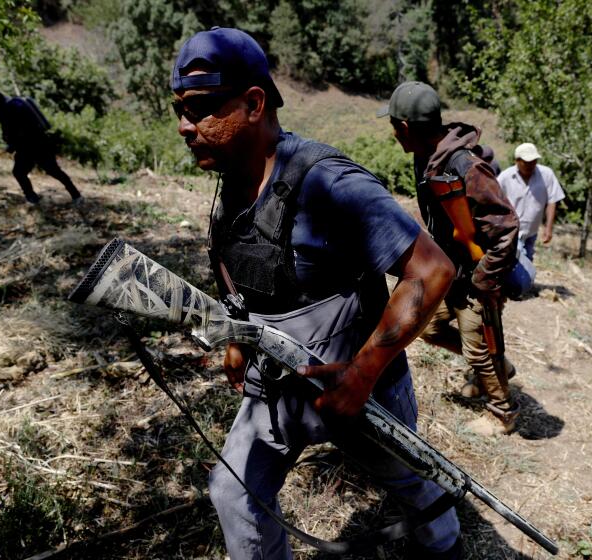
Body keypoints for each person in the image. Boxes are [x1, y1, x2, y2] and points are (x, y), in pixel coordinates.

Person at [171, 28, 461, 559]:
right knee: (233, 492)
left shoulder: (328, 183)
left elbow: (432, 270)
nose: (186, 127)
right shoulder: (230, 177)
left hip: (358, 388)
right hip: (277, 385)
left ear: (254, 103)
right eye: (179, 111)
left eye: (201, 108)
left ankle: (446, 547)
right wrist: (236, 336)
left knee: (410, 482)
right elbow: (234, 262)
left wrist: (363, 373)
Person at [379, 81, 520, 436]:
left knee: (481, 346)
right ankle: (494, 364)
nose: (394, 134)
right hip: (450, 270)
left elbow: (506, 228)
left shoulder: (465, 166)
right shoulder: (426, 157)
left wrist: (485, 281)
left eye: (395, 126)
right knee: (428, 327)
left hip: (475, 274)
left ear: (406, 128)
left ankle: (502, 413)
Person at [0, 84, 81, 205]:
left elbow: (25, 130)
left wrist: (13, 145)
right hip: (27, 146)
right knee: (22, 172)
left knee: (52, 171)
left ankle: (75, 196)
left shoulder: (12, 107)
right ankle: (34, 199)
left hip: (37, 144)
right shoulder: (2, 109)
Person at [497, 143, 565, 261]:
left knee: (526, 261)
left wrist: (548, 228)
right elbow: (494, 201)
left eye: (534, 161)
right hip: (511, 232)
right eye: (527, 162)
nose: (531, 165)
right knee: (519, 268)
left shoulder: (546, 175)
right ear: (517, 161)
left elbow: (552, 201)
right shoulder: (505, 177)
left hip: (532, 232)